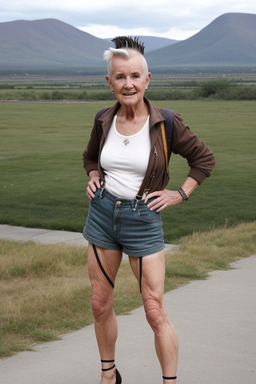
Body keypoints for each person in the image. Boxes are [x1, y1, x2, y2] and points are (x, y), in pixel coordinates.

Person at [82, 36, 215, 384]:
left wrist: (179, 194)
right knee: (99, 303)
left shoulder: (166, 122)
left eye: (135, 76)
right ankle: (108, 375)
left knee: (154, 311)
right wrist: (94, 175)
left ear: (147, 79)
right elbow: (90, 157)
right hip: (102, 215)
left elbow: (204, 159)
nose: (128, 83)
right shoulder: (103, 119)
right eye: (120, 76)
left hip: (143, 219)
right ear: (109, 82)